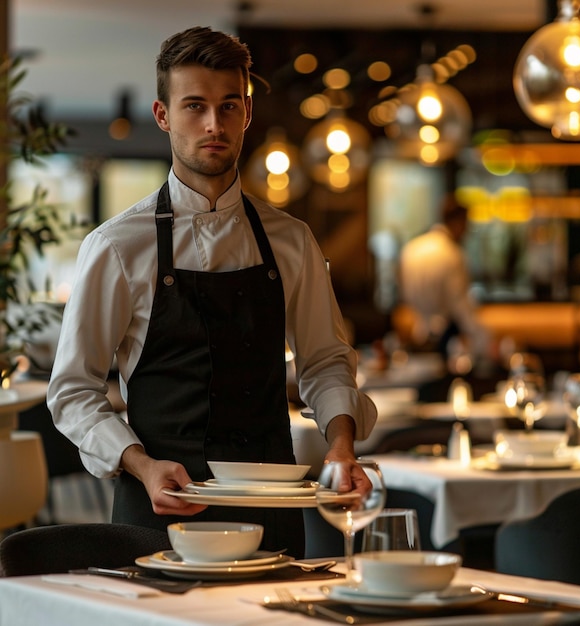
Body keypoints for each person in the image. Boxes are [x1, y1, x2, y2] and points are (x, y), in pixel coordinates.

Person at [46, 26, 377, 558]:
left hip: (272, 512)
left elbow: (325, 361)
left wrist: (341, 446)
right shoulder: (115, 247)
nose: (213, 124)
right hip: (159, 513)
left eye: (227, 106)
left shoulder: (291, 241)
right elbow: (73, 391)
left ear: (247, 112)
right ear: (162, 115)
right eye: (194, 106)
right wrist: (140, 464)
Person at [397, 193, 490, 364]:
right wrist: (485, 342)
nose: (467, 231)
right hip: (444, 340)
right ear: (458, 222)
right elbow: (461, 305)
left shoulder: (411, 248)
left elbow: (404, 294)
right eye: (467, 224)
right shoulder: (452, 254)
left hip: (417, 337)